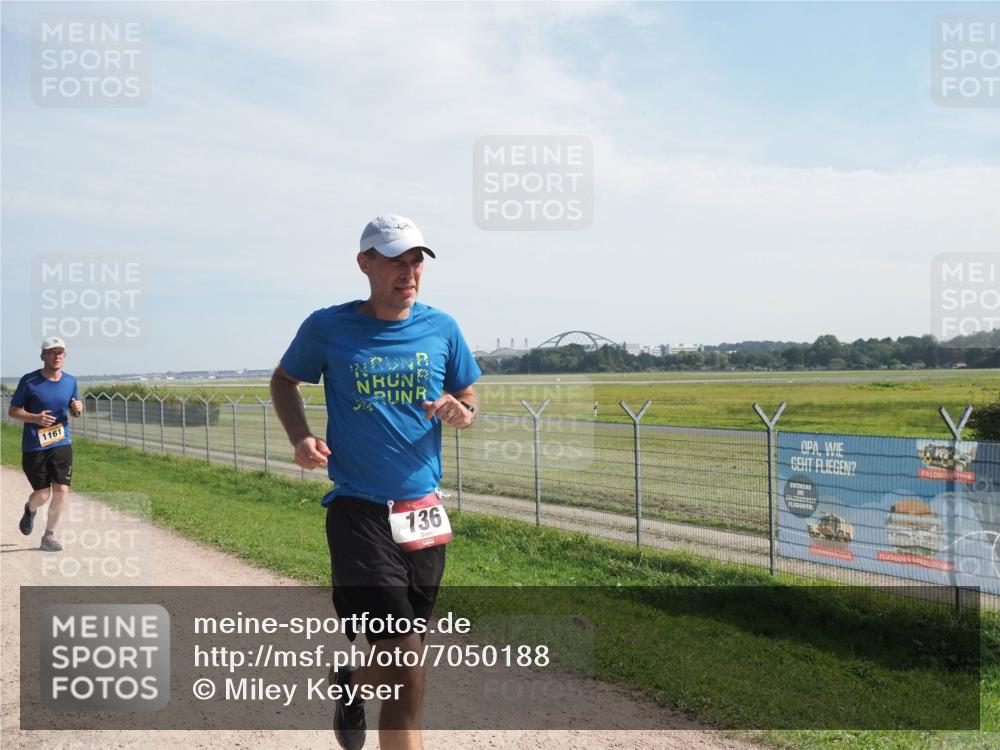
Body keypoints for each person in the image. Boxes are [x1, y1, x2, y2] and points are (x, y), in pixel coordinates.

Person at [270, 215, 480, 750]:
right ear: (365, 263)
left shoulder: (442, 328)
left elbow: (469, 396)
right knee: (407, 660)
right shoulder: (328, 327)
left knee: (405, 672)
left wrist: (462, 410)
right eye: (395, 260)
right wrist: (300, 437)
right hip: (359, 513)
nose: (408, 272)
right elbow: (284, 380)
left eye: (416, 261)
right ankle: (359, 682)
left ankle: (351, 683)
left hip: (423, 513)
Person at [8, 336, 83, 552]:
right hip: (34, 446)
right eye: (52, 352)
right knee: (43, 494)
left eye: (61, 352)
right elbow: (13, 411)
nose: (57, 356)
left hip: (61, 442)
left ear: (65, 356)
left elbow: (75, 409)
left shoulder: (70, 381)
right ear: (43, 356)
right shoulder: (29, 381)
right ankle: (30, 509)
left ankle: (48, 536)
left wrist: (77, 408)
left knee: (61, 489)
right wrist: (35, 418)